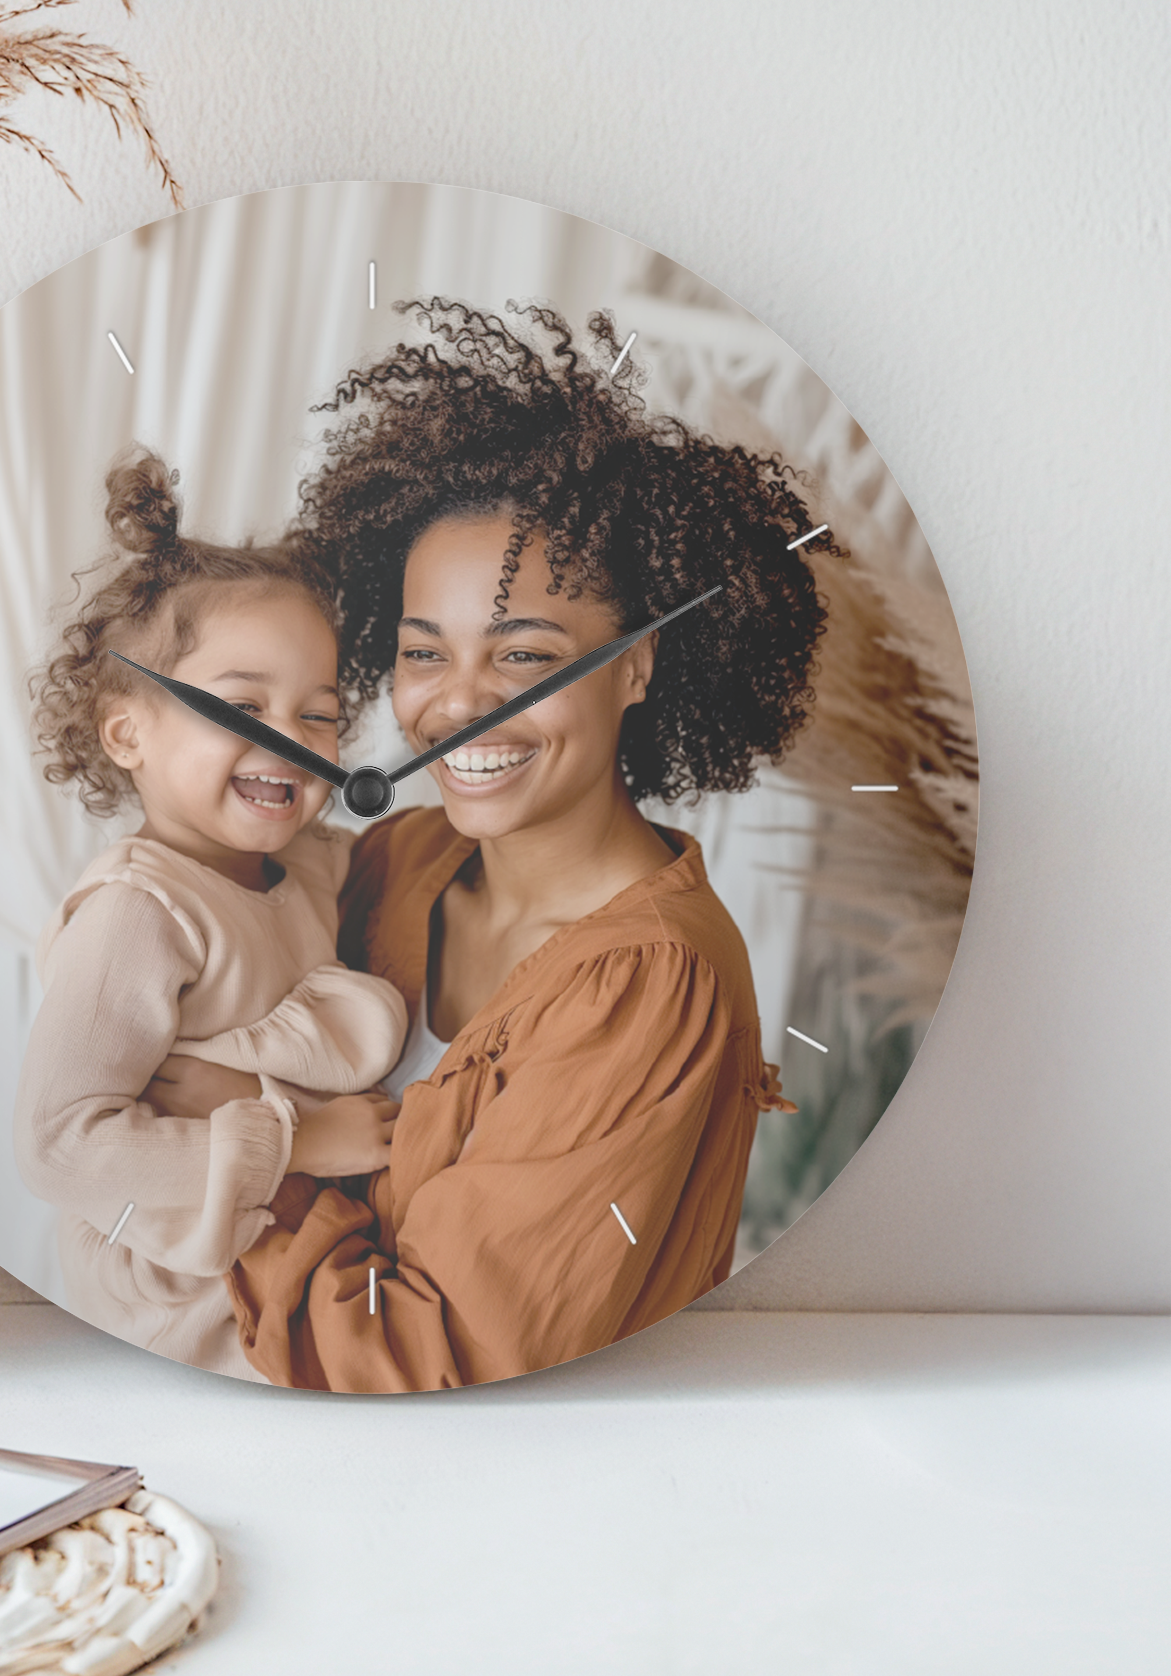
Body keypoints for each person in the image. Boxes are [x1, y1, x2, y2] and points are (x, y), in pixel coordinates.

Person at [152, 300, 822, 1390]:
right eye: (422, 650)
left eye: (521, 655)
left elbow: (430, 1355)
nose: (455, 704)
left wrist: (245, 1150)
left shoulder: (648, 985)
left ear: (636, 666)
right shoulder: (394, 861)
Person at [13, 450, 408, 1379]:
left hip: (284, 1255)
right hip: (177, 1295)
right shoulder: (138, 913)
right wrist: (299, 1138)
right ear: (128, 731)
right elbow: (57, 1147)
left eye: (319, 716)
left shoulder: (304, 867)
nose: (290, 740)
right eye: (243, 704)